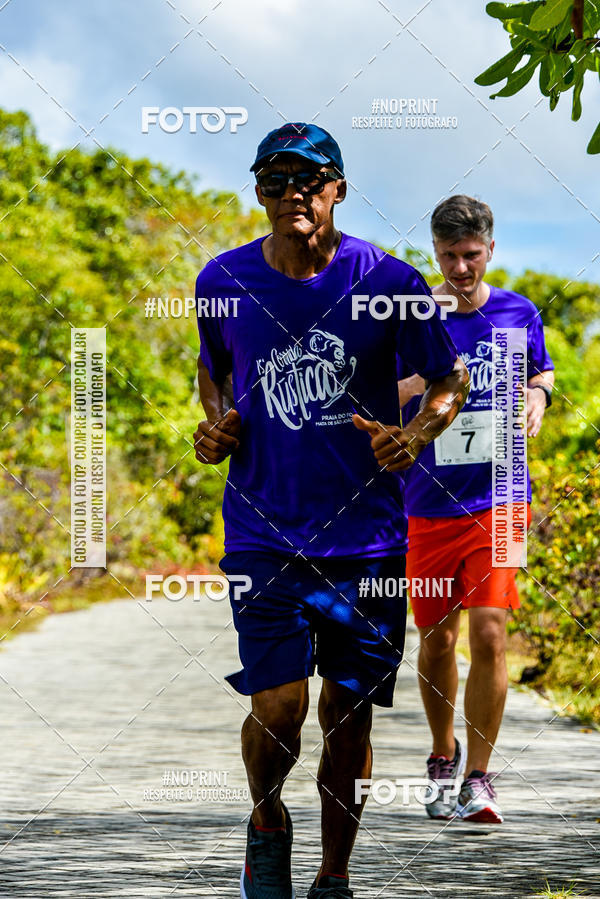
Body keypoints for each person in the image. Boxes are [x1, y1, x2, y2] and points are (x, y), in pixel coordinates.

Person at [193, 123, 469, 898]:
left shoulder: (387, 280)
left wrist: (417, 433)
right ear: (259, 192)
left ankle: (334, 876)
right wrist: (216, 421)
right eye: (274, 183)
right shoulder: (223, 278)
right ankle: (268, 817)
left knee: (348, 715)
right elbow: (213, 369)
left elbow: (449, 378)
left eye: (308, 181)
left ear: (337, 189)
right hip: (262, 528)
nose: (291, 196)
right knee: (278, 705)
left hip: (368, 541)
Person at [398, 195, 555, 824]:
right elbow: (379, 388)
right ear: (433, 252)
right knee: (437, 640)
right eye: (448, 256)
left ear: (490, 249)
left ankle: (480, 779)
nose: (460, 269)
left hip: (502, 496)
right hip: (428, 502)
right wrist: (407, 389)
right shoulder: (414, 315)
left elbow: (538, 372)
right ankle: (443, 757)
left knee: (491, 630)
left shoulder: (518, 312)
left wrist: (538, 396)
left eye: (471, 255)